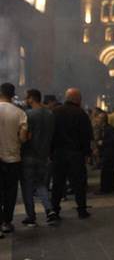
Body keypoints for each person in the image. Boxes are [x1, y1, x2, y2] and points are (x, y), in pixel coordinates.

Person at [51, 88, 93, 219]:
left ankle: (55, 210)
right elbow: (86, 135)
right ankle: (81, 210)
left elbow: (51, 134)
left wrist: (50, 152)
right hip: (76, 154)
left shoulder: (55, 112)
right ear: (77, 99)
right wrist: (87, 153)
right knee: (79, 184)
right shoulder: (81, 114)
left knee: (58, 183)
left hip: (59, 153)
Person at [20, 89, 58, 227]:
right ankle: (49, 210)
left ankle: (31, 216)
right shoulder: (50, 114)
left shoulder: (28, 114)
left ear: (31, 98)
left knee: (27, 187)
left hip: (28, 155)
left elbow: (24, 136)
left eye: (27, 98)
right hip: (44, 155)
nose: (25, 100)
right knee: (41, 184)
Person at [0, 83, 28, 235]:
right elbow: (23, 138)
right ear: (12, 94)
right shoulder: (20, 113)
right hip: (13, 158)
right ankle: (6, 222)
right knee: (10, 192)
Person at [95, 112, 114, 194]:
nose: (96, 120)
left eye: (98, 118)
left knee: (106, 171)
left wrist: (103, 142)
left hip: (108, 153)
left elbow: (113, 140)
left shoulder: (109, 129)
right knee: (107, 171)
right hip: (106, 152)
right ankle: (109, 187)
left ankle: (105, 188)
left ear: (103, 120)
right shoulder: (104, 128)